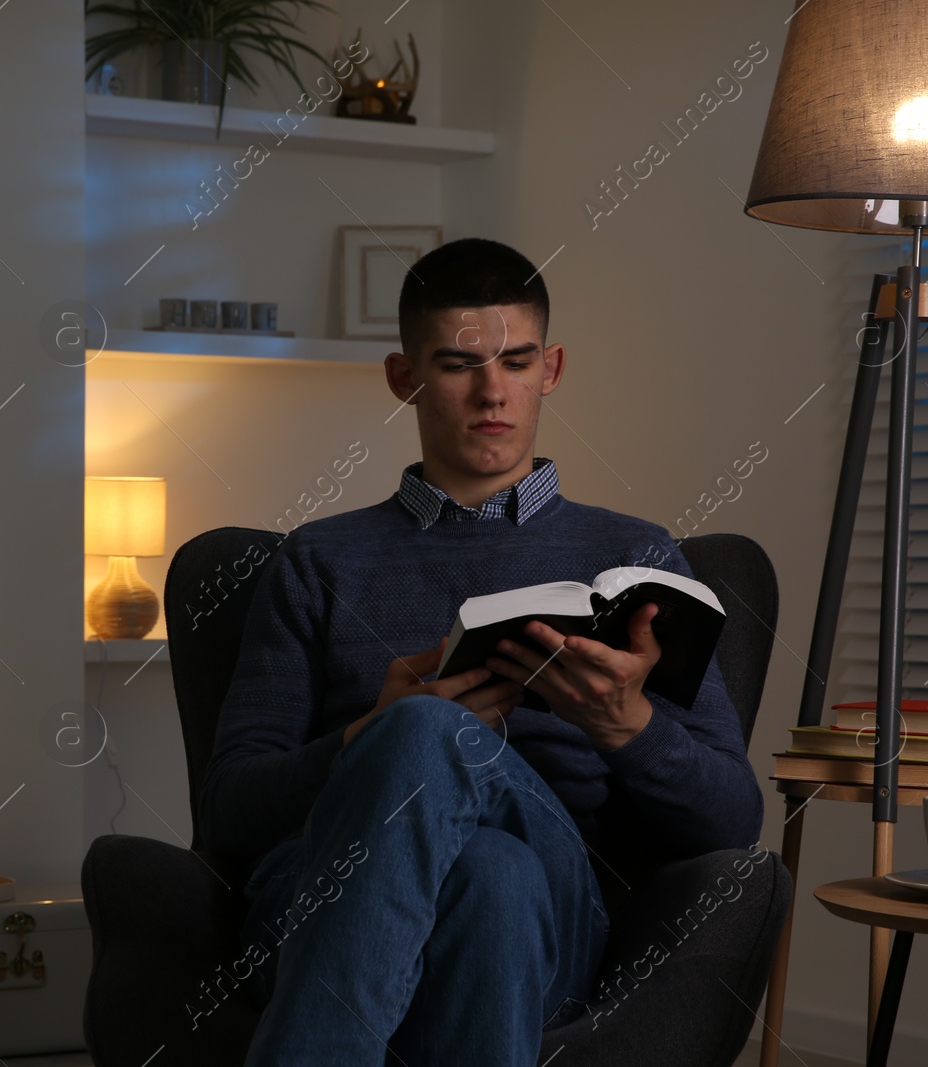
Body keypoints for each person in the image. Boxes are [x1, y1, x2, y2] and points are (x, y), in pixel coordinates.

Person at [197, 237, 763, 1066]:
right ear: (405, 377)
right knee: (481, 854)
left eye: (518, 361)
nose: (492, 393)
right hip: (327, 888)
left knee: (463, 791)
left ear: (552, 368)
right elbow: (228, 813)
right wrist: (370, 735)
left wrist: (625, 723)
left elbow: (734, 818)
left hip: (560, 911)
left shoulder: (636, 557)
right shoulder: (319, 562)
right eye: (459, 364)